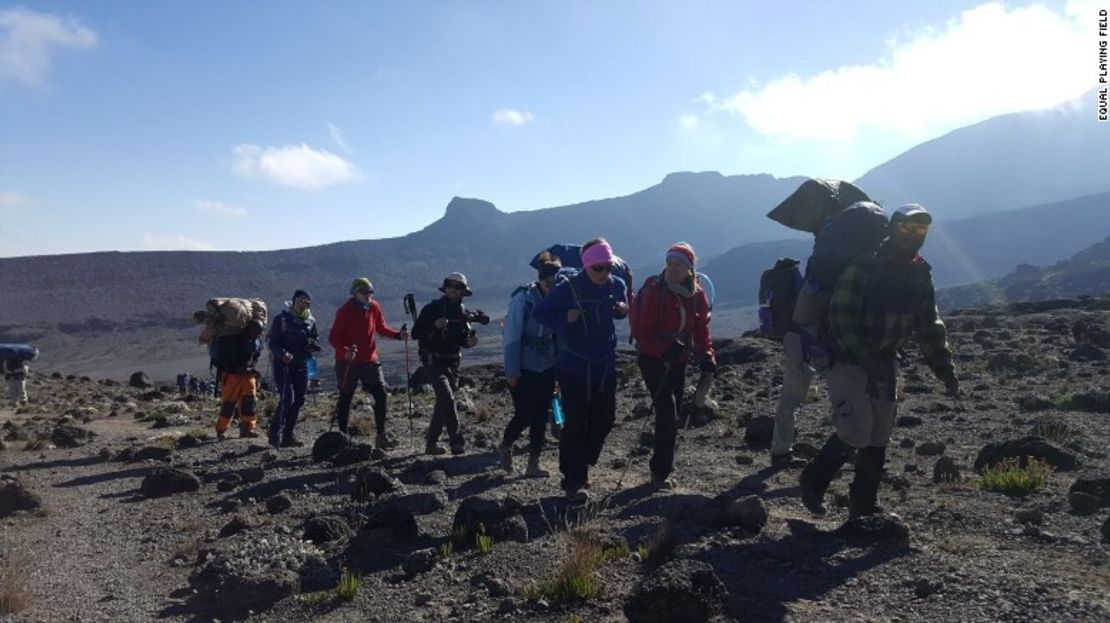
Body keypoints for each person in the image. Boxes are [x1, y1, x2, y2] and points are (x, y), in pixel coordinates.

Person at [799, 204, 959, 519]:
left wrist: (945, 371)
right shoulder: (865, 266)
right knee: (856, 432)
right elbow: (840, 316)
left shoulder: (919, 272)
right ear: (892, 228)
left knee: (879, 435)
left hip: (885, 360)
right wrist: (862, 357)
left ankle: (864, 504)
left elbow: (929, 324)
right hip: (846, 358)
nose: (913, 236)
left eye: (920, 230)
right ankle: (813, 480)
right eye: (906, 228)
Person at [532, 238, 628, 502]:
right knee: (575, 423)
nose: (604, 273)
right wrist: (564, 319)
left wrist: (622, 310)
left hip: (605, 364)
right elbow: (540, 313)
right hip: (573, 367)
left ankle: (583, 460)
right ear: (586, 265)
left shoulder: (615, 285)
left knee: (604, 419)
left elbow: (622, 307)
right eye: (598, 268)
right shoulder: (568, 289)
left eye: (608, 267)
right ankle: (574, 479)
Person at [631, 242, 716, 489]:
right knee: (667, 412)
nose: (673, 268)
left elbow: (701, 330)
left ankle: (662, 467)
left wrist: (708, 355)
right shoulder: (655, 291)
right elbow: (642, 332)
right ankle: (660, 473)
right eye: (669, 263)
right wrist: (664, 348)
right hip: (651, 359)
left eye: (678, 264)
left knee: (673, 413)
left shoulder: (696, 293)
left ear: (690, 268)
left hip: (677, 361)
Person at [498, 253, 562, 477]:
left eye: (556, 283)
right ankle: (506, 446)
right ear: (541, 280)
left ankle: (533, 463)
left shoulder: (558, 300)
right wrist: (511, 369)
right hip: (524, 366)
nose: (552, 287)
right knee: (525, 413)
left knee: (541, 415)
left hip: (547, 365)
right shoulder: (523, 299)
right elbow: (512, 335)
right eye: (549, 283)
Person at [328, 278, 408, 448]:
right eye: (364, 292)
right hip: (347, 361)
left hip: (370, 360)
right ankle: (343, 439)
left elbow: (381, 327)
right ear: (355, 292)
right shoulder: (345, 311)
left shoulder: (374, 306)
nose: (368, 295)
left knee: (381, 394)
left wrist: (397, 335)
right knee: (346, 397)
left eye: (370, 292)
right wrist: (345, 351)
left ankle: (381, 436)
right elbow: (333, 337)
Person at [412, 272, 481, 455]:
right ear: (445, 288)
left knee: (443, 402)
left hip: (453, 362)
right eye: (450, 285)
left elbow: (462, 341)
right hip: (433, 359)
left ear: (463, 291)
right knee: (447, 397)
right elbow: (415, 333)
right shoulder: (432, 309)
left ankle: (431, 444)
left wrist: (469, 343)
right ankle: (456, 442)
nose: (453, 289)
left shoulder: (462, 313)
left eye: (458, 287)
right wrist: (434, 325)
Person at [267, 289, 320, 448]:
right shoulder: (281, 319)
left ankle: (288, 436)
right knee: (287, 400)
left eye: (308, 302)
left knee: (299, 400)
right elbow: (272, 343)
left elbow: (314, 339)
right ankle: (274, 435)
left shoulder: (310, 321)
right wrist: (282, 353)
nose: (305, 304)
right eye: (302, 300)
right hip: (282, 365)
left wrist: (313, 345)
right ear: (294, 300)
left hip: (302, 364)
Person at [212, 319, 265, 440]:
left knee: (249, 402)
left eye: (259, 331)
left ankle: (247, 429)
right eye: (257, 330)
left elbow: (254, 357)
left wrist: (251, 370)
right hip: (232, 376)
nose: (258, 333)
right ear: (249, 328)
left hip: (247, 376)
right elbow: (229, 360)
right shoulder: (233, 340)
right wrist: (243, 369)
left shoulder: (255, 342)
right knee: (229, 404)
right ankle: (221, 431)